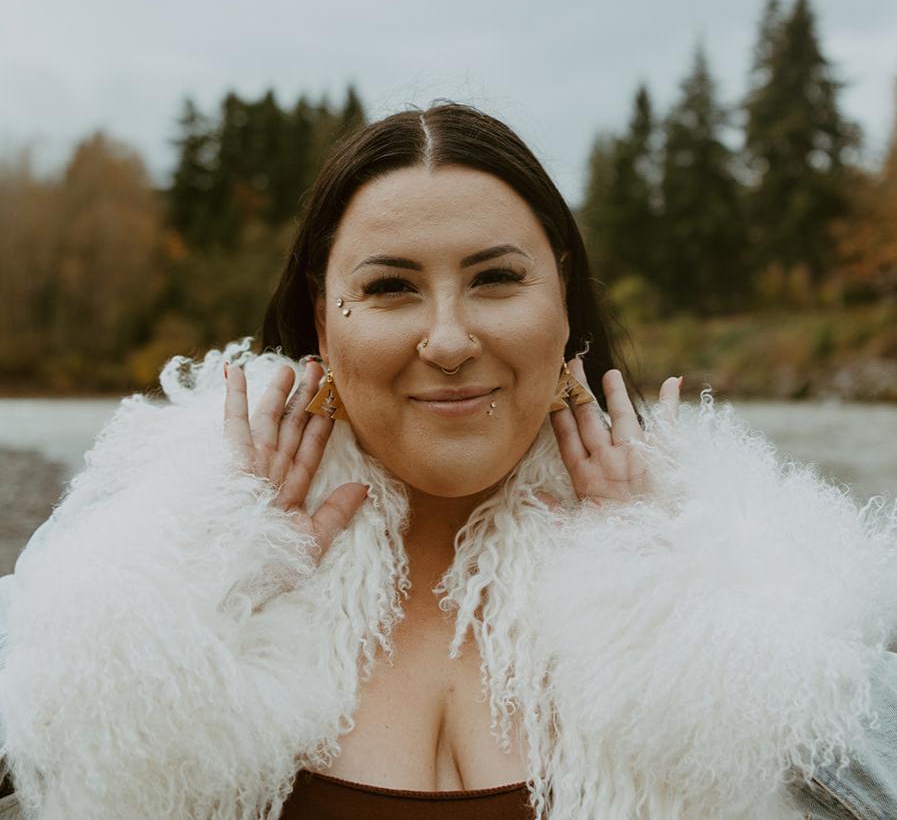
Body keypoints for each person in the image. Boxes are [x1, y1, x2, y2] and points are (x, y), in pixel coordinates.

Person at [0, 102, 895, 820]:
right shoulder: (166, 540)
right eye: (390, 287)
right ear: (322, 318)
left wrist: (675, 588)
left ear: (564, 299)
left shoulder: (731, 552)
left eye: (495, 279)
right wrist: (205, 568)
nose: (449, 338)